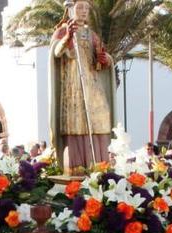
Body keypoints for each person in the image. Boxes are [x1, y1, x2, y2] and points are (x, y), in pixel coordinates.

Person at [49, 0, 114, 173]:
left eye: (86, 8)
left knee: (99, 119)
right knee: (77, 122)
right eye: (80, 7)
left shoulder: (91, 34)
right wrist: (67, 37)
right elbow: (56, 52)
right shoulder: (63, 30)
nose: (84, 11)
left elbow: (101, 58)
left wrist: (105, 59)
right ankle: (77, 166)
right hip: (73, 83)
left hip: (91, 83)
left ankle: (100, 166)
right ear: (72, 9)